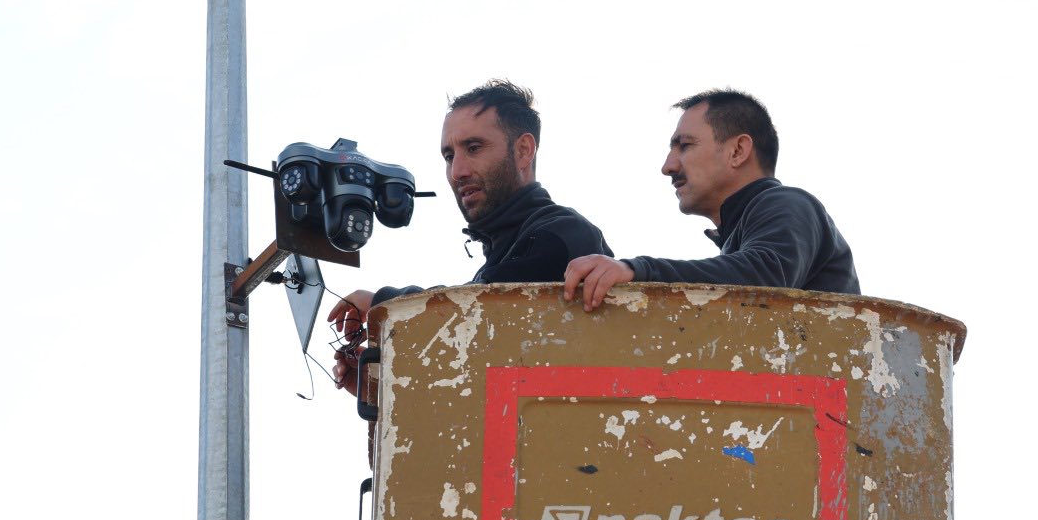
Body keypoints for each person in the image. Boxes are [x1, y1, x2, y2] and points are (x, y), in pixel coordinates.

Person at [329, 80, 611, 390]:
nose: (457, 172)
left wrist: (383, 304)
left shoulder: (560, 234)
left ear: (523, 150)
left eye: (474, 148)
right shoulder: (506, 249)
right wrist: (378, 386)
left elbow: (476, 314)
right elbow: (483, 375)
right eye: (449, 156)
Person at [563, 89, 858, 311]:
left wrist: (638, 270)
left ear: (738, 151)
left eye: (685, 145)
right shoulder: (742, 233)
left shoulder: (789, 203)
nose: (668, 166)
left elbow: (764, 279)